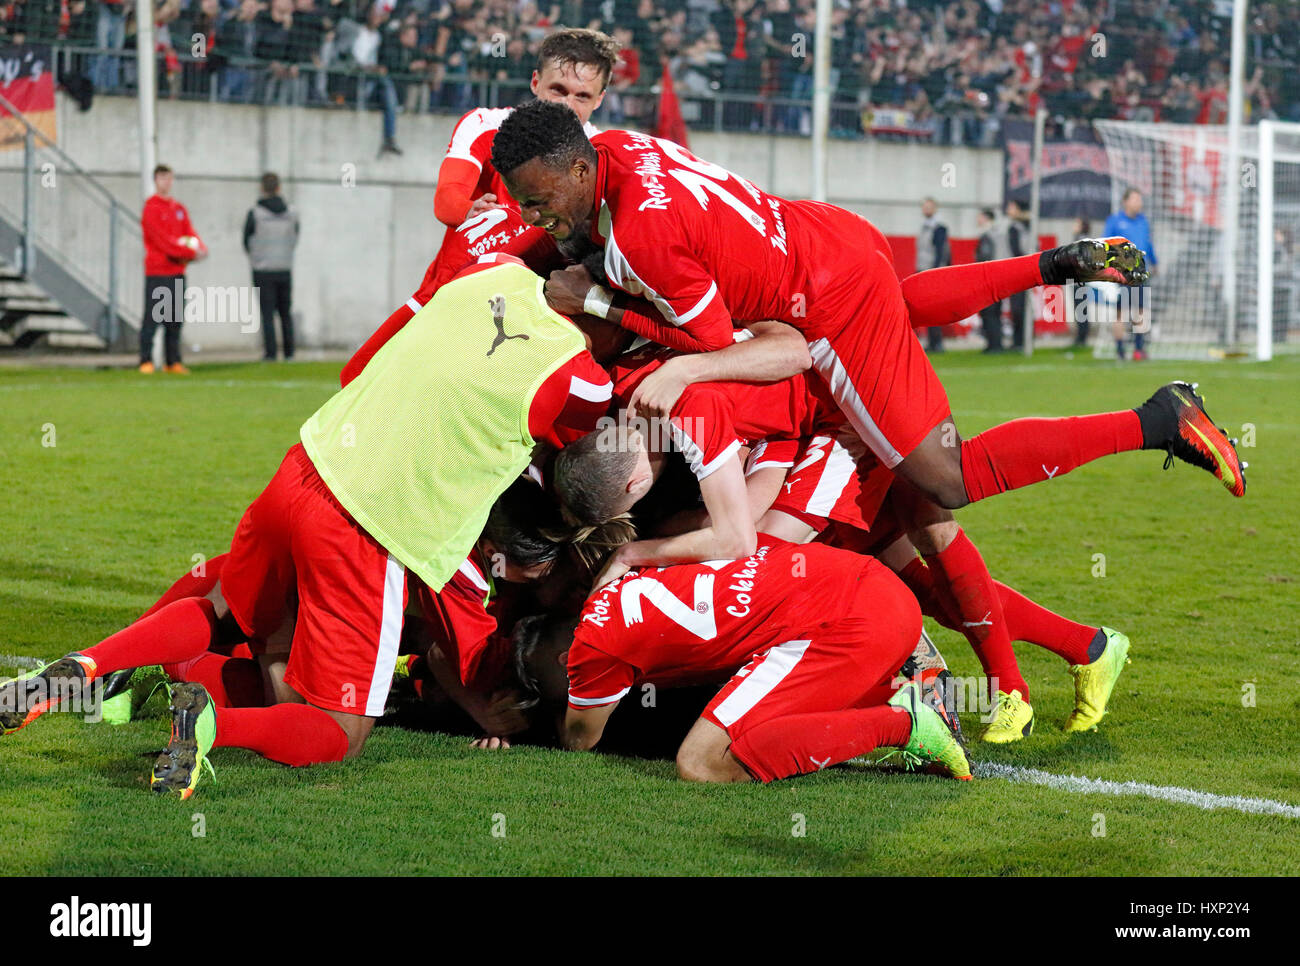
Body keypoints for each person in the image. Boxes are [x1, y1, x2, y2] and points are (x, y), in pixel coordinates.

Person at [0, 257, 615, 798]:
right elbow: (594, 464)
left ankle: (87, 666)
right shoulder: (581, 380)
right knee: (335, 734)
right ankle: (210, 722)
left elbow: (363, 362)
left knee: (221, 604)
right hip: (372, 526)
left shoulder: (495, 268)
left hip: (308, 464)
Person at [491, 103, 1247, 514]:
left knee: (944, 484)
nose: (535, 216)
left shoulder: (640, 242)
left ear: (580, 167)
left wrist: (598, 300)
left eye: (541, 200)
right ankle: (1052, 264)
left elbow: (715, 343)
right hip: (828, 233)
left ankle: (1159, 419)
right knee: (895, 312)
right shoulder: (625, 144)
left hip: (824, 303)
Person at [516, 538, 972, 783]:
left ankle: (907, 722)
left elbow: (579, 740)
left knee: (701, 763)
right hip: (864, 582)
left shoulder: (592, 653)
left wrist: (515, 729)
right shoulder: (625, 584)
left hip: (850, 622)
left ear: (563, 659)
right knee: (761, 711)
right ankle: (899, 690)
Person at [139, 164, 205, 375]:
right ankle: (145, 361)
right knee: (152, 317)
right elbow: (163, 242)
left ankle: (172, 361)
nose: (166, 182)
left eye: (169, 178)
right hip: (158, 271)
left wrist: (200, 247)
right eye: (162, 178)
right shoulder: (151, 208)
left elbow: (190, 234)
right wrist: (189, 254)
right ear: (155, 181)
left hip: (177, 271)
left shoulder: (178, 209)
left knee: (175, 319)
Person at [243, 172, 300, 361]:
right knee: (285, 312)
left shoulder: (255, 213)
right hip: (284, 267)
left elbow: (246, 240)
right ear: (278, 188)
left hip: (262, 269)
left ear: (262, 188)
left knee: (267, 314)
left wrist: (257, 257)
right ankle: (290, 352)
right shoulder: (292, 213)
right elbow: (295, 236)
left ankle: (271, 353)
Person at [1103, 189, 1158, 360]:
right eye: (1135, 199)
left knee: (1141, 311)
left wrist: (1154, 261)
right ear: (1125, 202)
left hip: (1140, 272)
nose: (1138, 203)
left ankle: (1138, 349)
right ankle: (1120, 351)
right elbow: (1105, 245)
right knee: (1121, 312)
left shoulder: (1143, 221)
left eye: (1139, 200)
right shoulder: (1115, 221)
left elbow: (1147, 244)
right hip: (1122, 273)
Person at [915, 197, 951, 353]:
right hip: (923, 269)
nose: (926, 209)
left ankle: (937, 342)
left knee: (934, 308)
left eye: (929, 207)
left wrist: (934, 272)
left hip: (931, 271)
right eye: (924, 207)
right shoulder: (924, 227)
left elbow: (940, 253)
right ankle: (932, 341)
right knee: (927, 309)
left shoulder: (939, 228)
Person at [974, 207, 1003, 353]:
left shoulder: (987, 235)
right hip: (999, 277)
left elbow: (985, 257)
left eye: (980, 217)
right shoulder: (999, 233)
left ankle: (993, 344)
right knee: (996, 312)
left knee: (989, 313)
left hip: (989, 279)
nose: (977, 220)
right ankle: (996, 342)